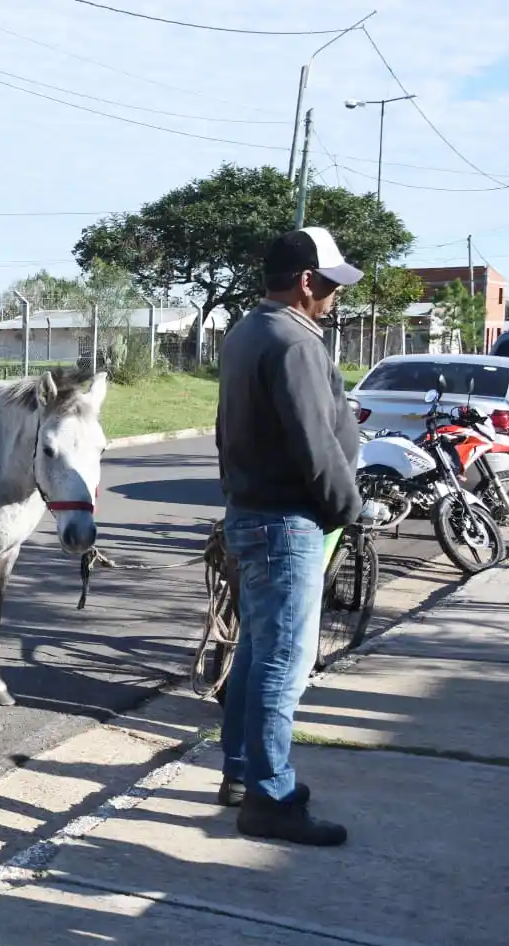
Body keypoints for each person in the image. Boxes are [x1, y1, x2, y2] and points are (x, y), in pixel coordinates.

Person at [215, 225, 363, 847]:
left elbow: (233, 429)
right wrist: (348, 507)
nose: (332, 296)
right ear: (305, 282)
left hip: (252, 513)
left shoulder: (246, 332)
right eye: (328, 284)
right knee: (282, 660)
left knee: (254, 651)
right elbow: (312, 443)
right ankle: (270, 799)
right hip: (287, 521)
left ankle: (244, 775)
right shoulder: (295, 341)